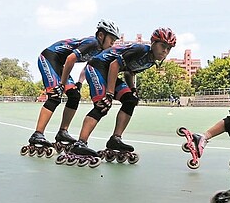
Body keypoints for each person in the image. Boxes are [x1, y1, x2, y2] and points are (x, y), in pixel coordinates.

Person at [70, 27, 177, 159]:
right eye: (163, 46)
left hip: (109, 71)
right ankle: (80, 144)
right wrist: (109, 94)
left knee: (130, 100)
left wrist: (132, 89)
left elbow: (129, 72)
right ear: (153, 43)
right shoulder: (141, 50)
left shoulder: (150, 61)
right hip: (97, 67)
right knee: (102, 105)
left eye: (168, 48)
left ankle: (115, 139)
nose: (165, 51)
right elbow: (114, 65)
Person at [25, 19, 121, 151]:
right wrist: (62, 84)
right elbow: (70, 58)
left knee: (74, 95)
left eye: (114, 40)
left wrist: (79, 84)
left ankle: (62, 132)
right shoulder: (92, 43)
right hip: (49, 58)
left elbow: (87, 66)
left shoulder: (99, 50)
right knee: (55, 96)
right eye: (111, 38)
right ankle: (37, 134)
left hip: (60, 64)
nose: (112, 43)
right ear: (101, 36)